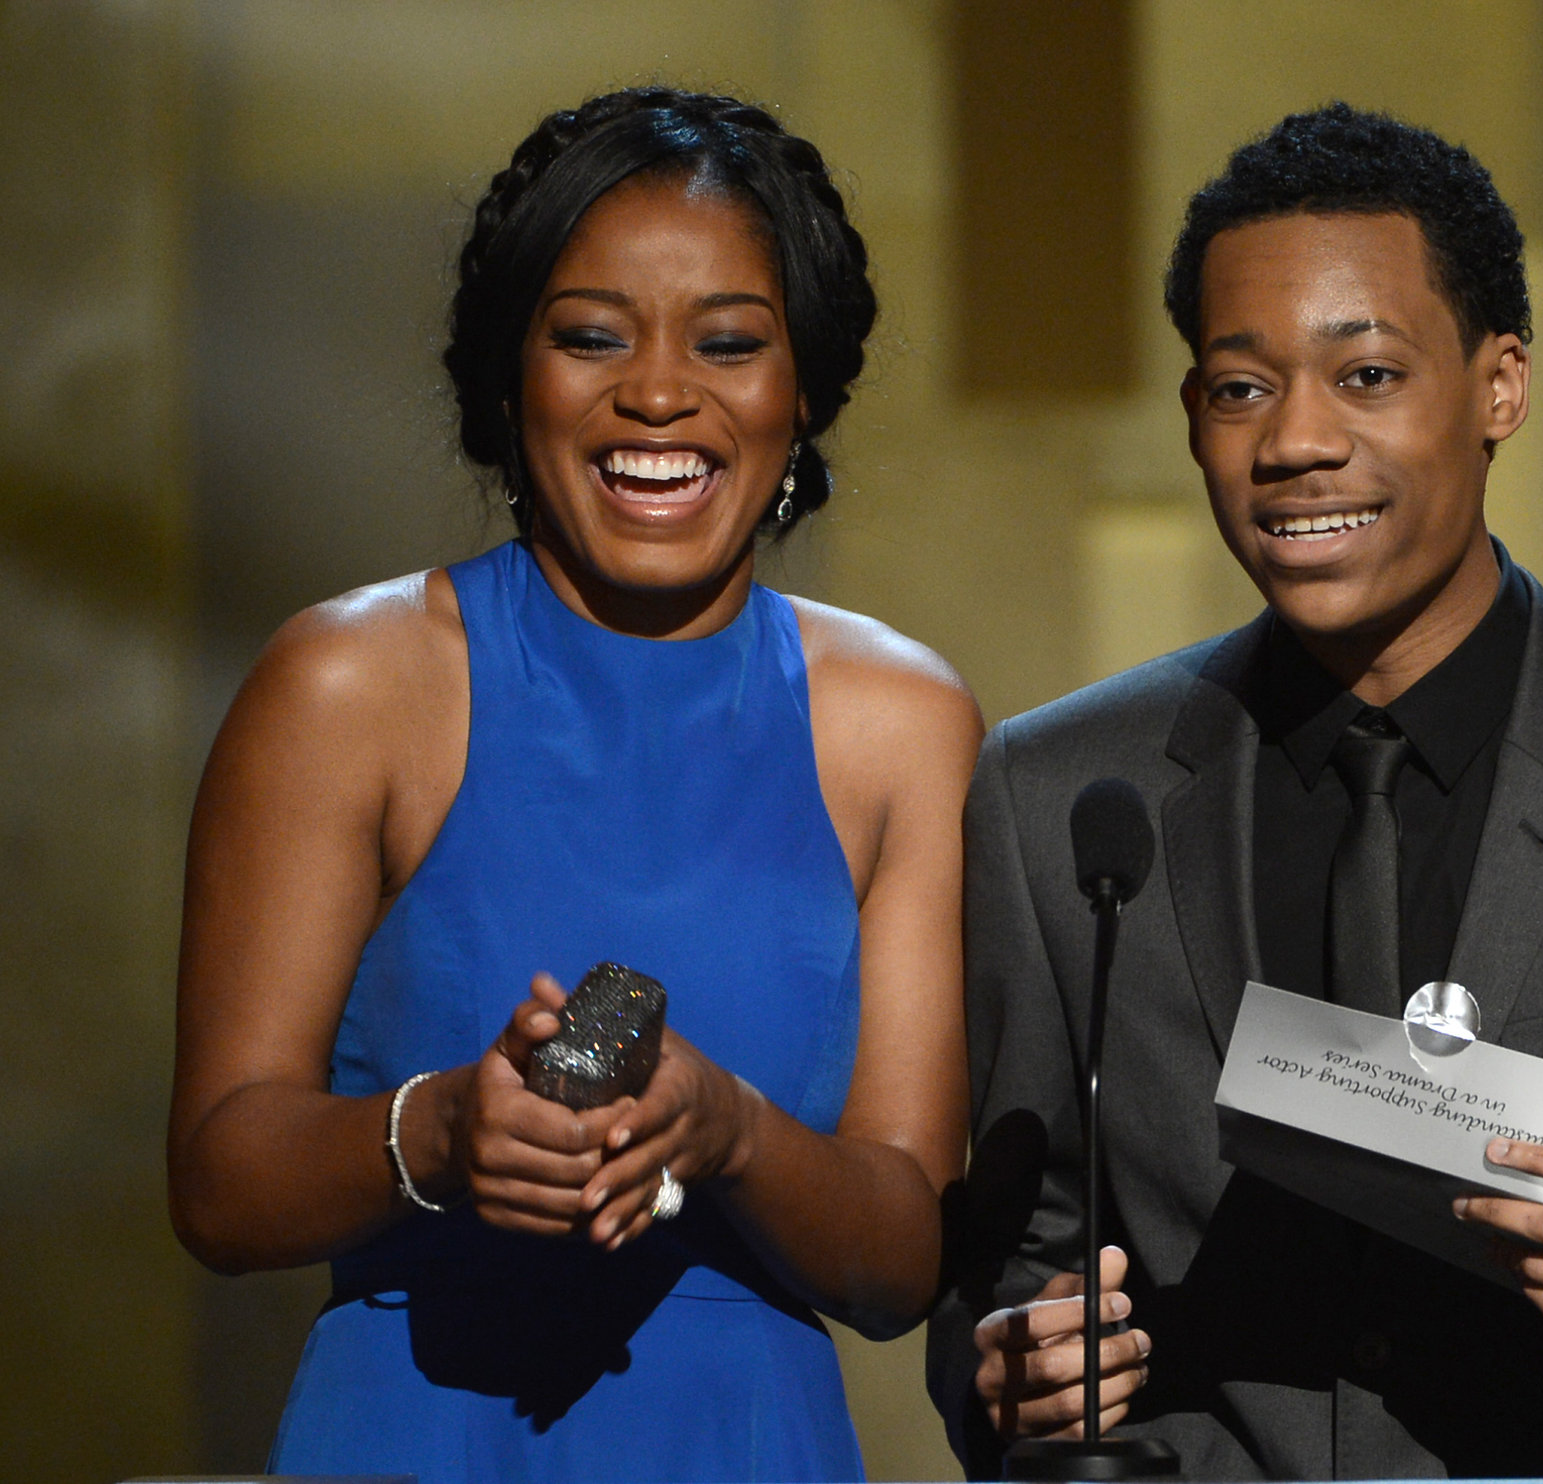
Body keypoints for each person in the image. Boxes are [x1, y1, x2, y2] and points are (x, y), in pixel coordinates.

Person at [929, 103, 1543, 1478]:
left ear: (1501, 385)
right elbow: (1002, 1272)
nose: (1293, 442)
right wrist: (1011, 1368)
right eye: (1239, 389)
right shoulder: (1056, 795)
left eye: (1367, 376)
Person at [168, 87, 981, 1484]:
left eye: (729, 344)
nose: (658, 393)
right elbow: (219, 1181)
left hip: (749, 1441)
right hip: (417, 1432)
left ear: (805, 392)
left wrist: (728, 1130)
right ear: (507, 378)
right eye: (592, 337)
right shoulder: (348, 682)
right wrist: (438, 1129)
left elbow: (903, 1258)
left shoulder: (902, 723)